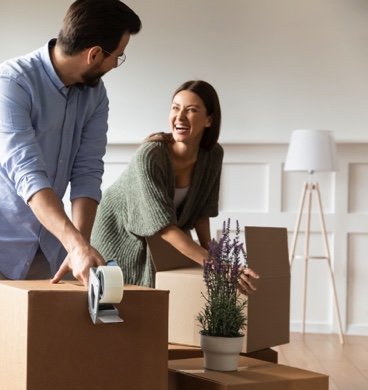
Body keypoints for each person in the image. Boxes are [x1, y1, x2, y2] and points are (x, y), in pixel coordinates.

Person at [0, 1, 141, 389]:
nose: (114, 65)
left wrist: (79, 245)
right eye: (117, 56)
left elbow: (88, 173)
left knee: (39, 349)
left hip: (47, 242)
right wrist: (73, 243)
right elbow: (28, 175)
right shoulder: (9, 82)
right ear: (94, 54)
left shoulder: (95, 96)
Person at [90, 80, 259, 292]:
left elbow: (201, 213)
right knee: (125, 306)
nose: (179, 117)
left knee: (162, 304)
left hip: (159, 238)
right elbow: (165, 227)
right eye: (175, 108)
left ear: (209, 120)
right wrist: (219, 266)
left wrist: (218, 262)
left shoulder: (213, 155)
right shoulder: (151, 156)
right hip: (120, 236)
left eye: (191, 110)